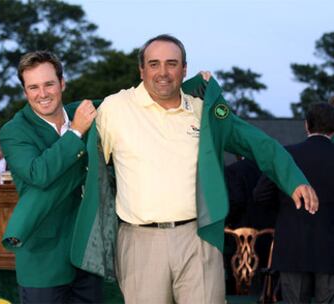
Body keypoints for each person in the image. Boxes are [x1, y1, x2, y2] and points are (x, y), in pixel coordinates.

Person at [95, 34, 318, 303]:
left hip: (198, 236)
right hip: (139, 241)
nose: (163, 72)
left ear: (184, 68)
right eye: (154, 64)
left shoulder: (206, 110)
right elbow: (81, 151)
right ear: (141, 70)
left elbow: (255, 141)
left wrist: (292, 179)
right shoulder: (115, 109)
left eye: (172, 63)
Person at [0, 51, 102, 304]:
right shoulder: (13, 131)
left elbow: (134, 103)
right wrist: (76, 131)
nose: (42, 94)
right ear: (25, 91)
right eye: (33, 87)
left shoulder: (86, 112)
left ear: (62, 83)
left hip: (88, 253)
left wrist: (193, 87)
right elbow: (39, 173)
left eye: (48, 84)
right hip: (42, 260)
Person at [254, 102, 334, 304]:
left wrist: (286, 209)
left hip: (292, 243)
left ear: (307, 125)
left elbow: (260, 195)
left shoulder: (286, 155)